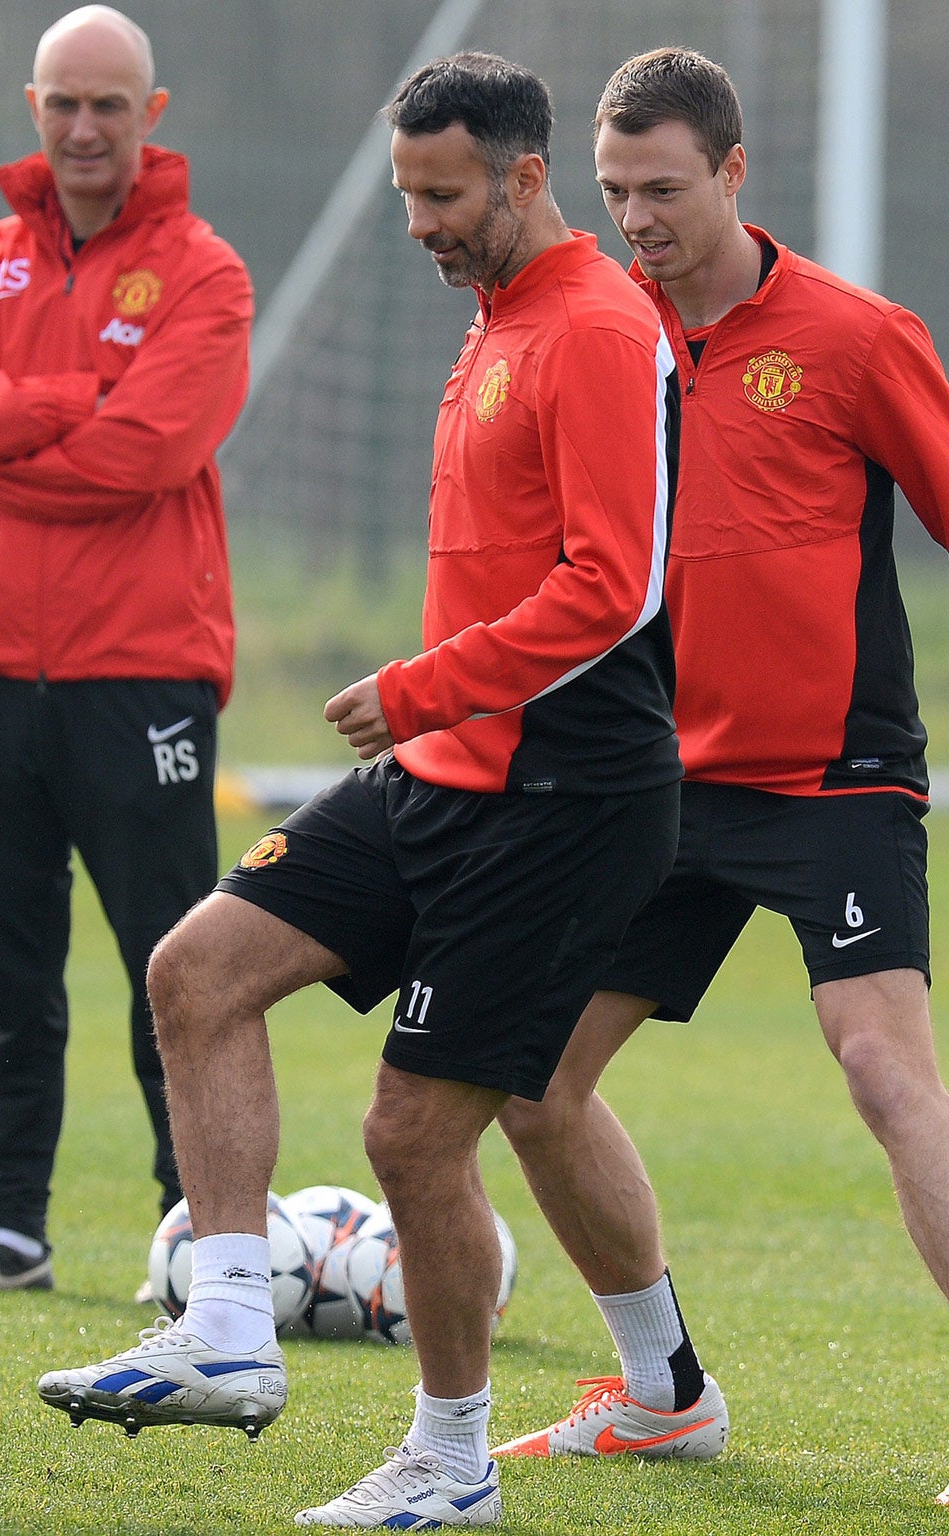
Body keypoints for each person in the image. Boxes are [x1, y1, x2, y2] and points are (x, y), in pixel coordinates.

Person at [38, 53, 682, 1527]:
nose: (419, 224)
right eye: (405, 195)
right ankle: (226, 1332)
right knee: (198, 971)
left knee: (415, 1131)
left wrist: (421, 686)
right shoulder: (497, 321)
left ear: (527, 177)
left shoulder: (590, 323)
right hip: (451, 771)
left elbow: (617, 583)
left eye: (444, 195)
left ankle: (452, 1463)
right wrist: (431, 706)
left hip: (561, 794)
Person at [489, 49, 949, 1491]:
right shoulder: (600, 334)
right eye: (615, 192)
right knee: (527, 1078)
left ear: (736, 175)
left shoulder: (857, 337)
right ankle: (662, 1390)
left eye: (665, 189)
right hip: (656, 788)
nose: (637, 219)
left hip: (836, 777)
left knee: (884, 1075)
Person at [0, 4, 251, 1295]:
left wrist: (0, 445)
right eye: (63, 103)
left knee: (179, 969)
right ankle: (15, 1234)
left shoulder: (205, 274)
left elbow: (150, 453)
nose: (84, 128)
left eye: (110, 105)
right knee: (12, 977)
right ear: (32, 108)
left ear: (153, 117)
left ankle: (196, 1241)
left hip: (139, 678)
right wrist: (62, 401)